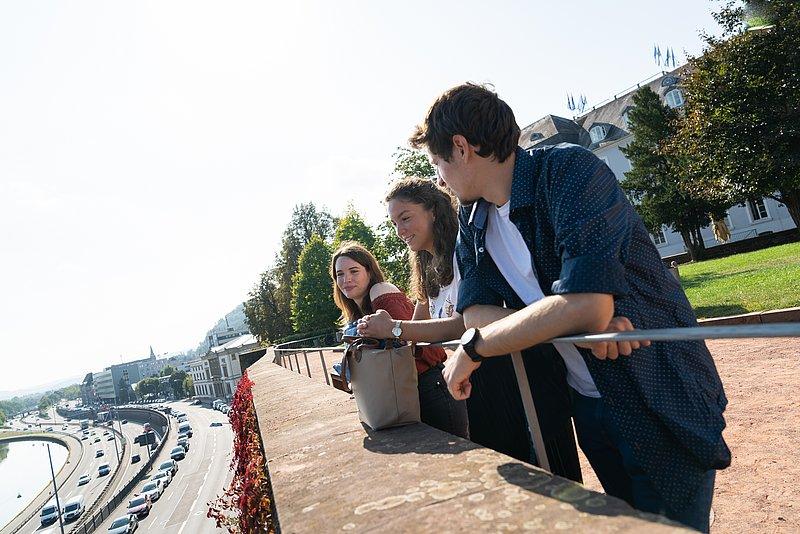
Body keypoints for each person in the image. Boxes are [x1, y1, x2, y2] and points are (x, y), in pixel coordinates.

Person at [411, 83, 729, 533]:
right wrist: (570, 321)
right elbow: (478, 316)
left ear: (461, 148)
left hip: (655, 388)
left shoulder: (567, 170)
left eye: (437, 163)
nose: (439, 178)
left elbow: (583, 305)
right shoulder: (472, 219)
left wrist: (479, 347)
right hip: (587, 400)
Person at [358, 177, 586, 480]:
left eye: (406, 218)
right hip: (476, 378)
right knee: (511, 476)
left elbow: (459, 325)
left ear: (434, 212)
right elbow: (418, 327)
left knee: (549, 474)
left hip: (512, 371)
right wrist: (379, 333)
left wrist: (394, 328)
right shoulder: (427, 266)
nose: (400, 231)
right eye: (394, 224)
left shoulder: (463, 251)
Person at [331, 240, 469, 439]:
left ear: (369, 272)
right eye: (340, 275)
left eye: (354, 271)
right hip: (401, 396)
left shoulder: (380, 291)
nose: (346, 280)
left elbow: (407, 344)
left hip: (429, 388)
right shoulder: (355, 314)